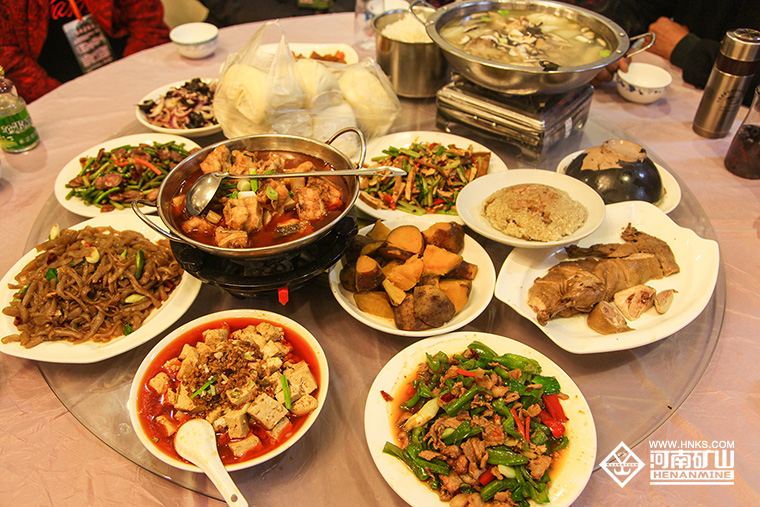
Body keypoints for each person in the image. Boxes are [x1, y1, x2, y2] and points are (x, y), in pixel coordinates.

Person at [0, 0, 171, 103]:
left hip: (131, 71)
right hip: (59, 91)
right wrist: (64, 99)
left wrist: (131, 74)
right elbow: (9, 57)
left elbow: (146, 21)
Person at [594, 0, 760, 105]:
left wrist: (687, 49)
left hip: (737, 111)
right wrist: (605, 41)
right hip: (670, 84)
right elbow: (637, 6)